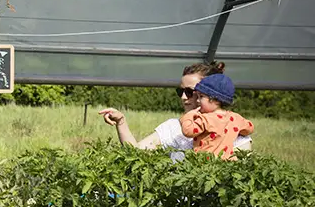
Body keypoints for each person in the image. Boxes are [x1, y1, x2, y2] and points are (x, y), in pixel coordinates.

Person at [98, 61, 252, 156]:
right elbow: (137, 153)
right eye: (181, 91)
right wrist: (121, 122)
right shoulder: (173, 127)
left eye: (190, 92)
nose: (183, 97)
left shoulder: (233, 127)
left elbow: (241, 173)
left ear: (211, 96)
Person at [180, 74, 254, 160]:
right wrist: (237, 131)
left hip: (205, 163)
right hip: (227, 163)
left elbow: (188, 131)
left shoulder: (205, 119)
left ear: (213, 99)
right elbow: (250, 128)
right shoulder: (236, 118)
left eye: (201, 97)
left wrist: (188, 116)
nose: (197, 100)